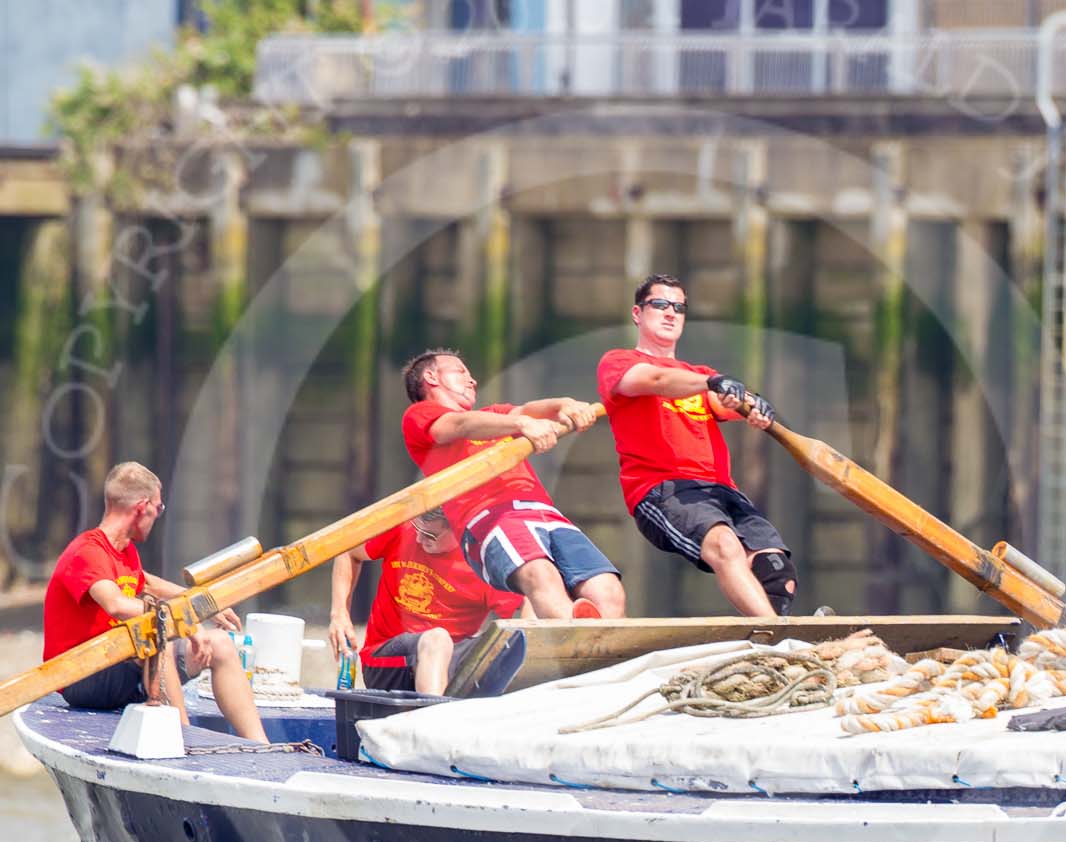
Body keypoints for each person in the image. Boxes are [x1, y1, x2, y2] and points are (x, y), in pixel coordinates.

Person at [597, 273, 796, 616]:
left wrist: (755, 405)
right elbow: (657, 380)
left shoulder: (699, 373)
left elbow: (727, 403)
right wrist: (713, 382)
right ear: (637, 313)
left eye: (679, 307)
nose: (671, 313)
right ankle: (779, 637)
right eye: (660, 304)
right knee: (724, 546)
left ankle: (769, 640)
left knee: (778, 572)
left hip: (720, 491)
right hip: (662, 490)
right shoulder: (618, 362)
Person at [42, 461, 268, 743]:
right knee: (156, 641)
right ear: (142, 507)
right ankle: (182, 740)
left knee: (220, 644)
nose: (158, 514)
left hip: (123, 668)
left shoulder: (126, 552)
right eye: (159, 508)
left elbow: (147, 583)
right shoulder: (86, 551)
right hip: (82, 677)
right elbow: (116, 604)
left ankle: (262, 746)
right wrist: (184, 621)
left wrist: (205, 604)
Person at [400, 348, 626, 620]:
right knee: (541, 575)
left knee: (608, 590)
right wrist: (522, 424)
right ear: (431, 377)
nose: (472, 380)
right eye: (461, 372)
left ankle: (601, 649)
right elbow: (459, 424)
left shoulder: (495, 416)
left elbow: (530, 410)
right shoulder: (420, 414)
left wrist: (564, 404)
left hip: (544, 512)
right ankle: (578, 643)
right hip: (490, 516)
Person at [327, 510, 528, 694]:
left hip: (452, 661)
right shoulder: (402, 528)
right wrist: (340, 614)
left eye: (430, 536)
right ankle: (431, 724)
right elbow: (348, 551)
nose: (418, 538)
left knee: (504, 648)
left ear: (459, 530)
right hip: (388, 662)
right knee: (437, 640)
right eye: (416, 528)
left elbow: (529, 601)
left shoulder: (481, 562)